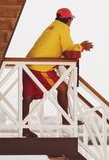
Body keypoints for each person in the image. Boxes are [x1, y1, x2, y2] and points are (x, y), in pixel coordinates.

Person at [22, 8, 93, 137]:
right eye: (71, 19)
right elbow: (69, 50)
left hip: (28, 63)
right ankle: (65, 119)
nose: (71, 22)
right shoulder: (63, 28)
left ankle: (24, 128)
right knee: (62, 88)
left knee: (28, 97)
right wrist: (82, 46)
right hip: (41, 67)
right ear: (68, 20)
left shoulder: (52, 26)